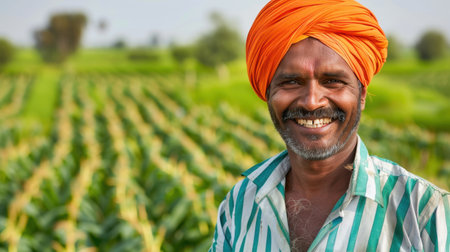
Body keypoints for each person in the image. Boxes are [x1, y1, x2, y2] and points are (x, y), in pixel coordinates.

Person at [209, 0, 450, 251]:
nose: (312, 102)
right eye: (291, 82)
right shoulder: (240, 205)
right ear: (268, 93)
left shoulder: (425, 213)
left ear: (362, 95)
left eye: (333, 81)